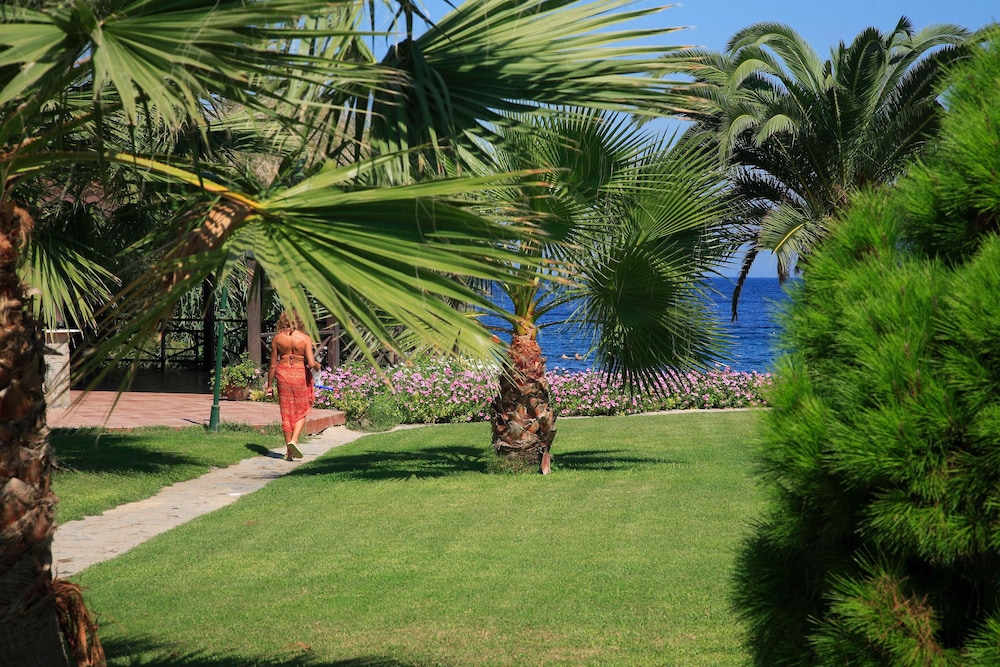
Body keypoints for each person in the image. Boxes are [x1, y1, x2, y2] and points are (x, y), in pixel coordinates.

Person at [265, 310, 321, 460]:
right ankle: (294, 440)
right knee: (302, 410)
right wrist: (318, 365)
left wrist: (269, 386)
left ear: (283, 320)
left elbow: (272, 365)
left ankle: (289, 453)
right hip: (299, 375)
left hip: (283, 375)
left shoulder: (277, 339)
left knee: (286, 412)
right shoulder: (305, 338)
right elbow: (311, 363)